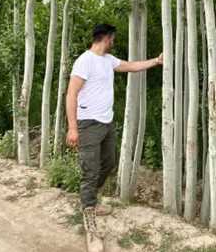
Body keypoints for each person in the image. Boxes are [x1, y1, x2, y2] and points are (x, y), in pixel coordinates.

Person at [65, 23, 162, 252]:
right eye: (113, 39)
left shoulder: (108, 61)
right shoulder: (85, 61)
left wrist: (155, 61)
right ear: (107, 38)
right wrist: (72, 128)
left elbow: (131, 66)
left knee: (108, 162)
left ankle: (90, 200)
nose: (114, 42)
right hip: (88, 124)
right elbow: (71, 93)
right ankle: (90, 225)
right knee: (89, 172)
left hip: (106, 123)